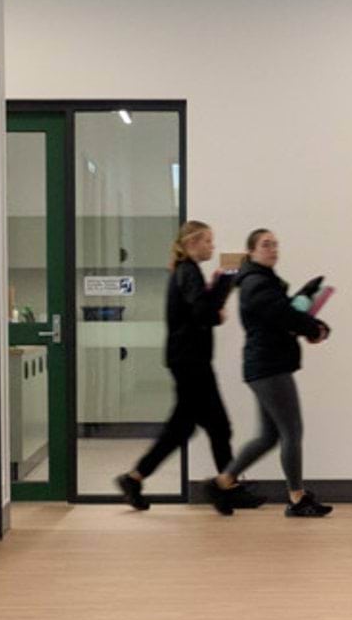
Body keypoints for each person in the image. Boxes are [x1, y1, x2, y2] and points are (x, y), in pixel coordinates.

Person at [114, 222, 254, 514]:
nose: (212, 247)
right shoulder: (188, 272)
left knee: (183, 428)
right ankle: (226, 488)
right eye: (208, 242)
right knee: (217, 426)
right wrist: (223, 285)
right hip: (191, 361)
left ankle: (134, 478)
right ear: (192, 243)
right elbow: (202, 313)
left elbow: (200, 309)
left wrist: (219, 283)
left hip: (187, 359)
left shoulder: (185, 271)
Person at [218, 227, 334, 518]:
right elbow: (282, 315)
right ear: (252, 252)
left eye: (275, 244)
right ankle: (297, 498)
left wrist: (305, 299)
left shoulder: (260, 281)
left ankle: (223, 482)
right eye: (266, 244)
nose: (273, 249)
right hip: (269, 367)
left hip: (266, 365)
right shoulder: (256, 282)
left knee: (269, 436)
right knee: (291, 431)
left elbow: (281, 312)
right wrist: (313, 328)